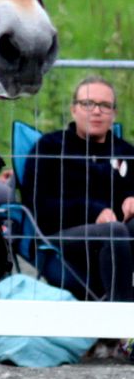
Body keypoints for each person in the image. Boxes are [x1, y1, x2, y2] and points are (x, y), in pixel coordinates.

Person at [21, 76, 134, 306]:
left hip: (121, 239)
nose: (96, 111)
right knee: (113, 232)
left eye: (105, 105)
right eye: (88, 103)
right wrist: (92, 212)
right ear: (73, 109)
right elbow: (39, 207)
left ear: (114, 113)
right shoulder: (49, 148)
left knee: (117, 231)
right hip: (62, 237)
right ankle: (124, 329)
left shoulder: (127, 152)